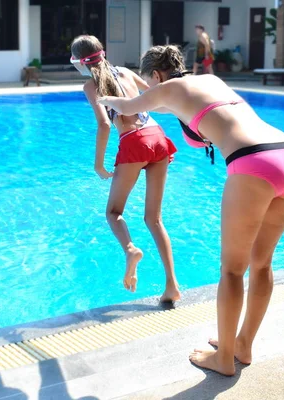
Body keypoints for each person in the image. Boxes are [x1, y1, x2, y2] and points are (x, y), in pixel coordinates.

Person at [98, 45, 284, 376]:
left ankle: (224, 358)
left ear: (155, 75)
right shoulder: (209, 81)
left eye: (151, 83)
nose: (152, 90)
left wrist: (103, 99)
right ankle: (243, 345)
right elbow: (177, 110)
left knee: (233, 270)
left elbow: (127, 105)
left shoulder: (167, 88)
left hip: (254, 162)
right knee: (262, 263)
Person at [70, 35, 181, 302]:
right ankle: (172, 286)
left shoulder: (91, 86)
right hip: (157, 136)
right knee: (154, 219)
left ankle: (130, 249)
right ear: (103, 53)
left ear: (79, 63)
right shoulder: (126, 72)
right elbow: (158, 96)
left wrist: (99, 165)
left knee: (113, 212)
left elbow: (104, 125)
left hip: (134, 143)